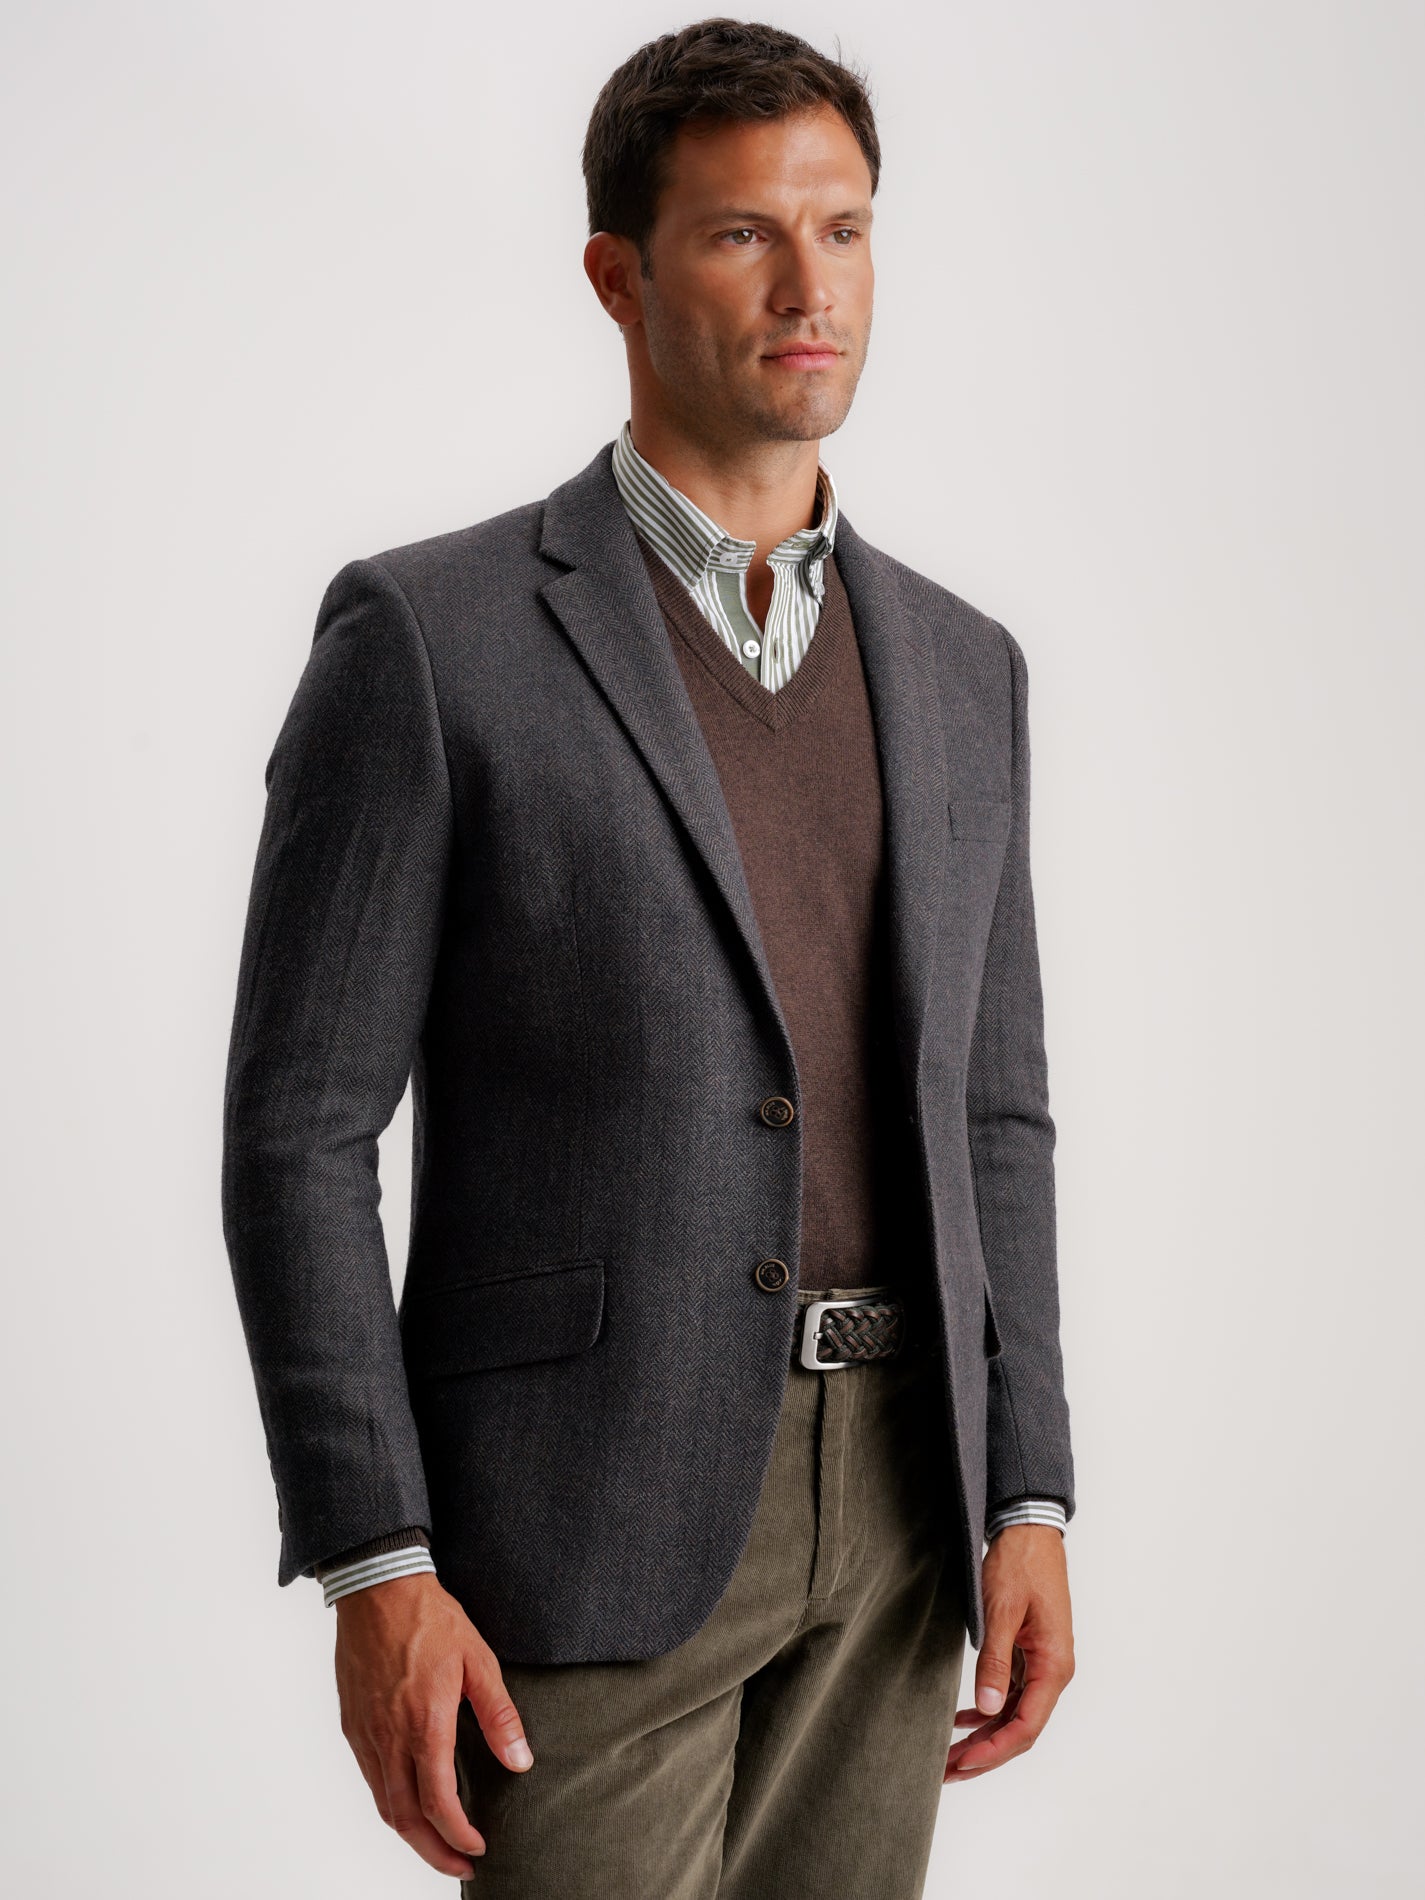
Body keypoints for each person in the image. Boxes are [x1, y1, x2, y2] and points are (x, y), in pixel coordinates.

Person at [221, 18, 1076, 1898]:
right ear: (617, 275)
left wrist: (1027, 1489)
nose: (807, 289)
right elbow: (298, 1134)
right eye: (742, 235)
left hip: (908, 1507)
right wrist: (375, 1559)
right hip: (582, 1508)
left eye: (843, 231)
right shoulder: (432, 636)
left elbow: (992, 1116)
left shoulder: (964, 667)